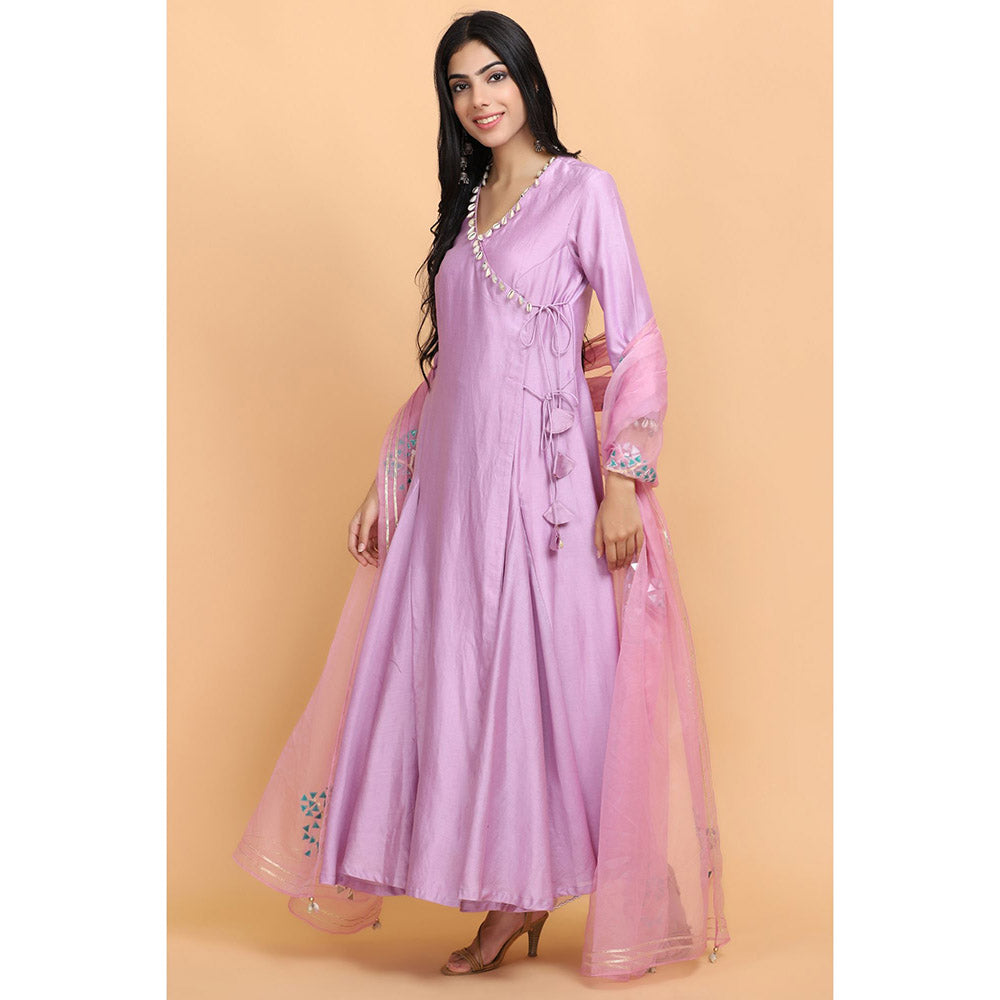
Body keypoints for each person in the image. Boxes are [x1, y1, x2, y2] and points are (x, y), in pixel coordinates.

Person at [234, 10, 730, 981]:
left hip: (543, 493)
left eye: (494, 75)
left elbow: (635, 338)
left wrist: (622, 482)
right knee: (465, 689)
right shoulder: (464, 211)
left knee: (563, 691)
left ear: (527, 80)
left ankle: (629, 895)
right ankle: (512, 898)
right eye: (459, 84)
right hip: (453, 500)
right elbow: (451, 373)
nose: (479, 98)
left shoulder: (583, 192)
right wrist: (387, 478)